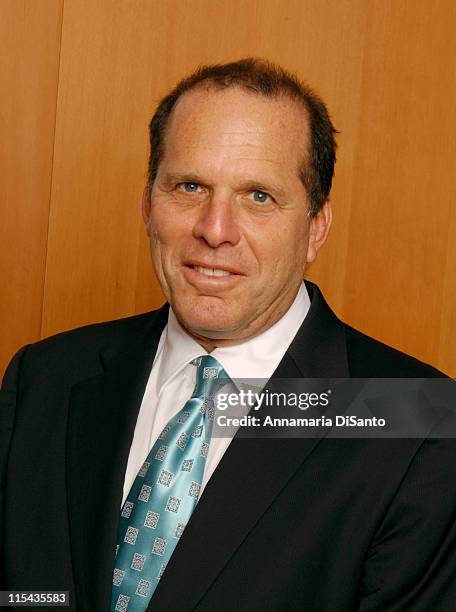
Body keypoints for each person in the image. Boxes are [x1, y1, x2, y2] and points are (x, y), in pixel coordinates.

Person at [1, 58, 455, 612]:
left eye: (258, 196)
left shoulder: (417, 421)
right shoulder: (44, 379)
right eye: (189, 186)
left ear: (316, 228)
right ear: (148, 204)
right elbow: (25, 596)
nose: (215, 230)